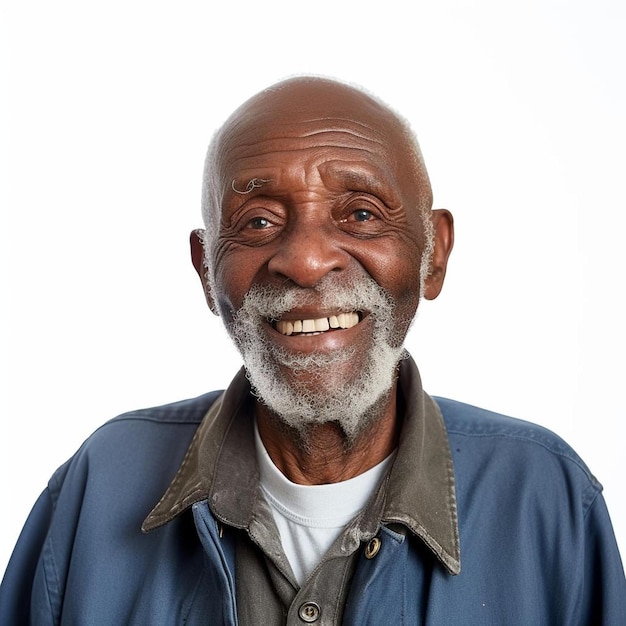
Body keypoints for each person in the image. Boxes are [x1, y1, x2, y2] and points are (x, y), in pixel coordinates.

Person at [1, 76, 624, 625]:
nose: (304, 260)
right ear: (205, 272)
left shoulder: (549, 500)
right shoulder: (98, 486)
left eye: (359, 213)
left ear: (433, 256)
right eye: (258, 222)